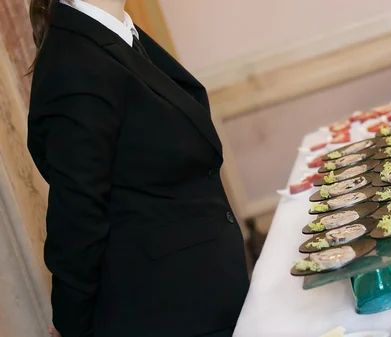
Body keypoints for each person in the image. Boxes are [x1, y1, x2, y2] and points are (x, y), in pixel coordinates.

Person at [26, 0, 249, 336]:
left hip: (200, 297)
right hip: (168, 313)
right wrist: (69, 326)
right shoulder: (74, 65)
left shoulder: (117, 37)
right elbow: (76, 221)